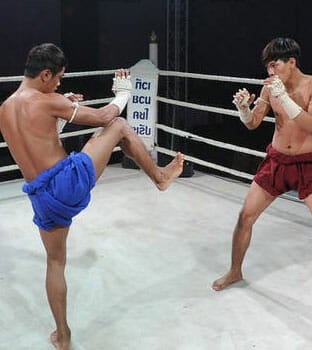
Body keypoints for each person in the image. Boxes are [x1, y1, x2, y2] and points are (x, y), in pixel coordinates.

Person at [0, 43, 184, 350]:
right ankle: (160, 177)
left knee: (56, 262)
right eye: (57, 77)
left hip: (39, 195)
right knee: (120, 125)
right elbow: (102, 117)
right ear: (45, 74)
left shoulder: (6, 109)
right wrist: (123, 93)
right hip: (65, 183)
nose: (59, 84)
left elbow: (37, 138)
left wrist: (61, 110)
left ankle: (63, 335)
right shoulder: (48, 100)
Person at [212, 37, 312, 302]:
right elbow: (253, 123)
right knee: (244, 217)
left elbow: (311, 126)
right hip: (277, 162)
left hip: (308, 165)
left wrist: (284, 96)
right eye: (268, 67)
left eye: (274, 65)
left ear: (291, 62)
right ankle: (235, 271)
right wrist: (244, 110)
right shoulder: (270, 88)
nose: (270, 72)